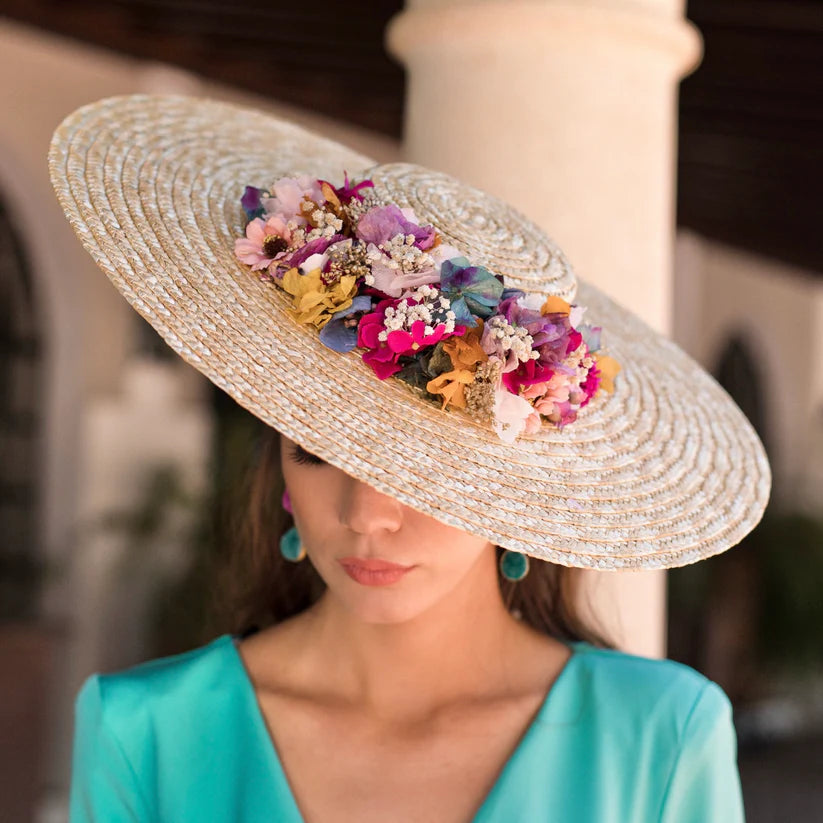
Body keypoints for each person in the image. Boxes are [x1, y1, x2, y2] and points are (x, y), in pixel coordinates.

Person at [50, 95, 770, 822]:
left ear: (513, 492)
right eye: (319, 450)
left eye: (422, 471)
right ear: (280, 473)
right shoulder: (142, 733)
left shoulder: (661, 738)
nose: (366, 516)